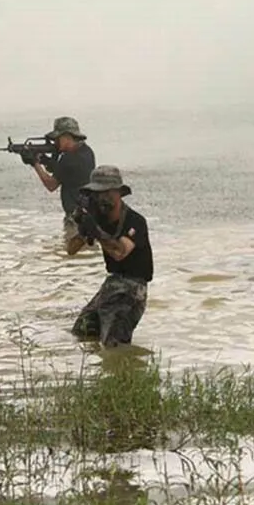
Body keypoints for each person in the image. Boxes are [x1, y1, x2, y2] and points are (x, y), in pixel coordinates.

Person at [66, 165, 153, 347]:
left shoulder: (135, 221)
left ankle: (123, 373)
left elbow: (120, 252)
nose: (100, 198)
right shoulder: (98, 217)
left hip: (132, 289)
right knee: (82, 333)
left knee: (115, 346)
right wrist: (82, 225)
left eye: (105, 193)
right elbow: (71, 249)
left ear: (118, 193)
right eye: (96, 194)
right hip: (111, 284)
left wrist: (97, 232)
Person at [23, 116, 95, 240]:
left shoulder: (69, 159)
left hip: (75, 218)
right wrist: (46, 160)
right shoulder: (87, 151)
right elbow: (66, 173)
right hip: (89, 214)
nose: (55, 142)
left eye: (58, 139)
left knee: (71, 251)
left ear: (67, 137)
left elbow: (51, 185)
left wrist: (34, 163)